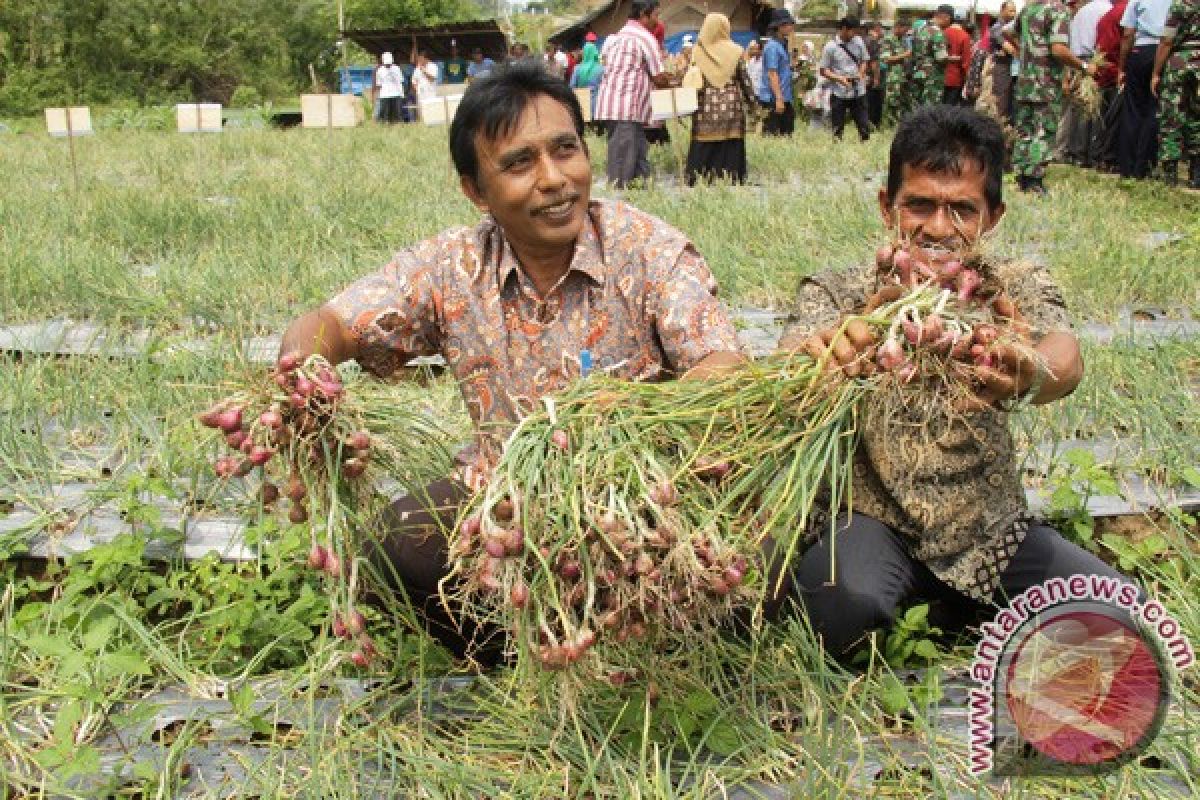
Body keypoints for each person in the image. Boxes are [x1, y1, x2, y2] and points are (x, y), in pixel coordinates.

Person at [277, 62, 744, 662]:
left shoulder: (648, 248)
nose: (554, 180)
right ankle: (520, 659)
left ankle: (655, 652)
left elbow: (722, 364)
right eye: (519, 163)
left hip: (644, 503)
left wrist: (641, 414)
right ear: (476, 190)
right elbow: (337, 324)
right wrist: (301, 366)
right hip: (503, 502)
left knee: (759, 556)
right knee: (401, 540)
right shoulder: (452, 266)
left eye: (565, 150)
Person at [777, 105, 1132, 659]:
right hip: (871, 525)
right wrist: (841, 348)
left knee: (1112, 611)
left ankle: (964, 608)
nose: (938, 228)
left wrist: (1031, 369)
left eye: (961, 209)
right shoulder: (836, 292)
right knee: (841, 607)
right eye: (919, 204)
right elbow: (793, 363)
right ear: (887, 207)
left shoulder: (1010, 288)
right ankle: (948, 612)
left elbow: (1065, 357)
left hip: (989, 533)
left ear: (993, 216)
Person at [1009, 0, 1097, 193]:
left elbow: (1008, 32)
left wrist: (1025, 53)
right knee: (1043, 131)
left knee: (1025, 130)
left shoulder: (1028, 9)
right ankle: (1034, 180)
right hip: (1046, 82)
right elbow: (1058, 49)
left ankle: (1022, 176)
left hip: (1025, 81)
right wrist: (1083, 67)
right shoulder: (1058, 11)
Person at [594, 0, 670, 187]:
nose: (657, 21)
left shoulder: (616, 37)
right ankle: (620, 196)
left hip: (613, 104)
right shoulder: (644, 38)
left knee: (636, 151)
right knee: (623, 158)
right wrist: (674, 82)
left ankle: (641, 191)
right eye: (656, 16)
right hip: (626, 106)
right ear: (644, 14)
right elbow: (658, 76)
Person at [684, 13, 757, 185]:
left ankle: (699, 178)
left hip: (705, 106)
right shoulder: (736, 51)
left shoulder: (697, 51)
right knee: (730, 143)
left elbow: (688, 78)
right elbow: (745, 80)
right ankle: (731, 178)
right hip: (731, 107)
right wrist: (753, 105)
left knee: (703, 142)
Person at [1117, 0, 1173, 177]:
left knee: (1133, 110)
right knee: (1154, 109)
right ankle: (1146, 165)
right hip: (1165, 49)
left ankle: (1127, 166)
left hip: (1141, 49)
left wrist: (1121, 67)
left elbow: (1128, 34)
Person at [1150, 0, 1199, 187]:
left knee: (1172, 118)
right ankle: (1196, 175)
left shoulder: (1179, 5)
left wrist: (1155, 73)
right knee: (1197, 118)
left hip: (1180, 62)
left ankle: (1169, 175)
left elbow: (1167, 40)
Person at [1059, 0, 1112, 165]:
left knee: (1076, 110)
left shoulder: (1081, 12)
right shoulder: (1106, 9)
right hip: (1091, 62)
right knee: (1090, 110)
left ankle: (1074, 152)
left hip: (1074, 60)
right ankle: (1086, 153)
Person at [819, 17, 872, 141]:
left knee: (864, 126)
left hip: (858, 90)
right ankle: (837, 146)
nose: (854, 35)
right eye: (852, 31)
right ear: (844, 29)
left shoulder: (858, 42)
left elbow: (865, 60)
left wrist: (860, 73)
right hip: (839, 91)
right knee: (837, 127)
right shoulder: (830, 47)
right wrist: (839, 79)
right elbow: (823, 70)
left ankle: (864, 145)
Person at [1093, 0, 1130, 168]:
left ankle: (1098, 155)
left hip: (1104, 68)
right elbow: (1125, 40)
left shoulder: (1108, 14)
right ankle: (1108, 157)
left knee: (1102, 116)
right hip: (1115, 69)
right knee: (1115, 117)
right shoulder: (1125, 10)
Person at [759, 8, 798, 136]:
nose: (791, 27)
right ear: (779, 27)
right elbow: (772, 74)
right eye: (787, 24)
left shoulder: (782, 44)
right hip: (773, 98)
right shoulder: (772, 47)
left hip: (784, 96)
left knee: (787, 133)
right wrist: (779, 99)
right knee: (772, 134)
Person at [910, 8, 951, 107]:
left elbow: (913, 51)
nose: (949, 23)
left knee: (917, 107)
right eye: (949, 20)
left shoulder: (919, 29)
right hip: (933, 76)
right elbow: (941, 58)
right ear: (945, 17)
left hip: (918, 71)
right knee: (931, 108)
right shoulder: (937, 32)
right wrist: (951, 59)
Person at [990, 1, 1021, 120]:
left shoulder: (1012, 28)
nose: (1014, 14)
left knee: (1012, 103)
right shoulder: (998, 27)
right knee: (1001, 102)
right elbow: (1010, 49)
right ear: (1002, 10)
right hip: (1002, 67)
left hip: (1012, 68)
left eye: (1014, 11)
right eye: (1011, 11)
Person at [881, 20, 913, 124]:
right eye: (905, 30)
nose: (905, 33)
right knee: (892, 103)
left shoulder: (902, 39)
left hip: (903, 76)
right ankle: (890, 124)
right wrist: (905, 55)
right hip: (893, 78)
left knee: (904, 103)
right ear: (898, 26)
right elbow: (886, 59)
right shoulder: (888, 39)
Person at [569, 40, 605, 123]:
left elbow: (572, 87)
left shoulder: (577, 69)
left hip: (583, 102)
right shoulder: (601, 69)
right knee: (599, 131)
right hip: (598, 104)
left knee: (586, 130)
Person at [942, 9, 974, 104]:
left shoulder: (943, 32)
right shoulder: (965, 36)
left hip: (941, 75)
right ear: (964, 20)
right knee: (950, 107)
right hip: (956, 77)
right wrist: (968, 79)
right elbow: (966, 61)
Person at [374, 52, 407, 124]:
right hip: (385, 94)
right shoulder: (379, 70)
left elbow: (401, 81)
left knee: (398, 113)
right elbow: (379, 84)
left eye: (389, 64)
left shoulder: (396, 68)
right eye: (386, 64)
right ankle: (387, 124)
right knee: (386, 114)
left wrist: (402, 93)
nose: (388, 65)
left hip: (396, 93)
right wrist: (377, 95)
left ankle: (398, 124)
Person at [865, 22, 887, 127]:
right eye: (881, 28)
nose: (882, 30)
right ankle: (873, 125)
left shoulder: (863, 40)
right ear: (876, 28)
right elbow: (874, 62)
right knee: (875, 103)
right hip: (873, 76)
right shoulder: (873, 42)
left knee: (867, 101)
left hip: (865, 75)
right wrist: (876, 78)